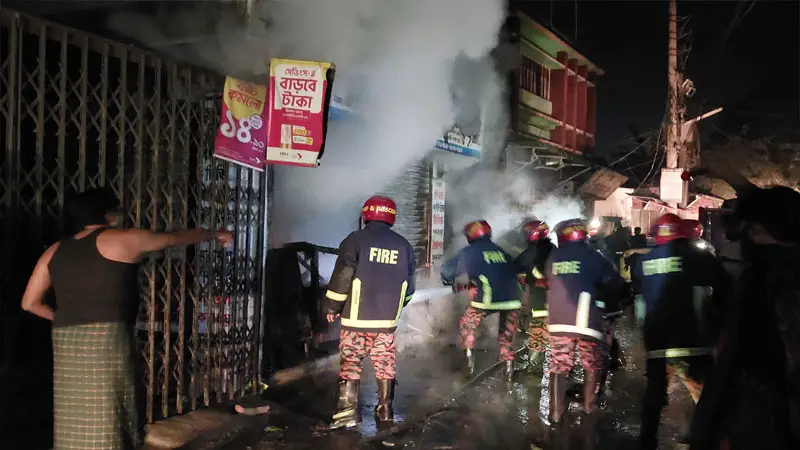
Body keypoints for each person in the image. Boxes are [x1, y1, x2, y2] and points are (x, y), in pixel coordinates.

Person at [20, 187, 233, 450]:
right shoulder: (124, 239)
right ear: (109, 214)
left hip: (66, 337)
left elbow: (29, 303)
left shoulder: (54, 250)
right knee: (111, 403)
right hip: (107, 336)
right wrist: (215, 233)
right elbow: (173, 239)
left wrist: (63, 318)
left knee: (74, 407)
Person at [687, 178, 800, 449]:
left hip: (764, 425)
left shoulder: (778, 283)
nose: (743, 238)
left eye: (751, 229)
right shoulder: (757, 279)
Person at [630, 213, 730, 450]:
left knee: (654, 395)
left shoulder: (643, 262)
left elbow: (640, 297)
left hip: (656, 341)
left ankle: (647, 442)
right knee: (706, 395)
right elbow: (725, 289)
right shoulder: (700, 256)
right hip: (693, 339)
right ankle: (705, 439)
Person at [322, 195, 416, 430]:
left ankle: (347, 413)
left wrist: (332, 306)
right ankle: (385, 410)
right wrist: (395, 307)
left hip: (356, 322)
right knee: (385, 364)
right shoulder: (404, 245)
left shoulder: (355, 240)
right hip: (386, 324)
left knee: (351, 362)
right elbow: (410, 287)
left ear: (366, 214)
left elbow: (343, 276)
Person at [544, 218, 625, 424]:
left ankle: (556, 414)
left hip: (559, 322)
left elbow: (548, 282)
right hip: (588, 321)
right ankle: (589, 406)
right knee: (591, 364)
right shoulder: (593, 257)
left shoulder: (553, 257)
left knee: (559, 367)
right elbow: (614, 282)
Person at [441, 220, 522, 381]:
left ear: (470, 236)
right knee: (506, 335)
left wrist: (451, 282)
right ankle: (508, 371)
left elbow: (447, 272)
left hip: (488, 299)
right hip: (513, 299)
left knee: (466, 325)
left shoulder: (470, 252)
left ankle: (469, 366)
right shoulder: (500, 251)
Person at [513, 219, 554, 372]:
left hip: (541, 299)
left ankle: (534, 370)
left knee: (539, 331)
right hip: (556, 300)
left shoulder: (534, 251)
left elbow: (516, 266)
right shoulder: (552, 248)